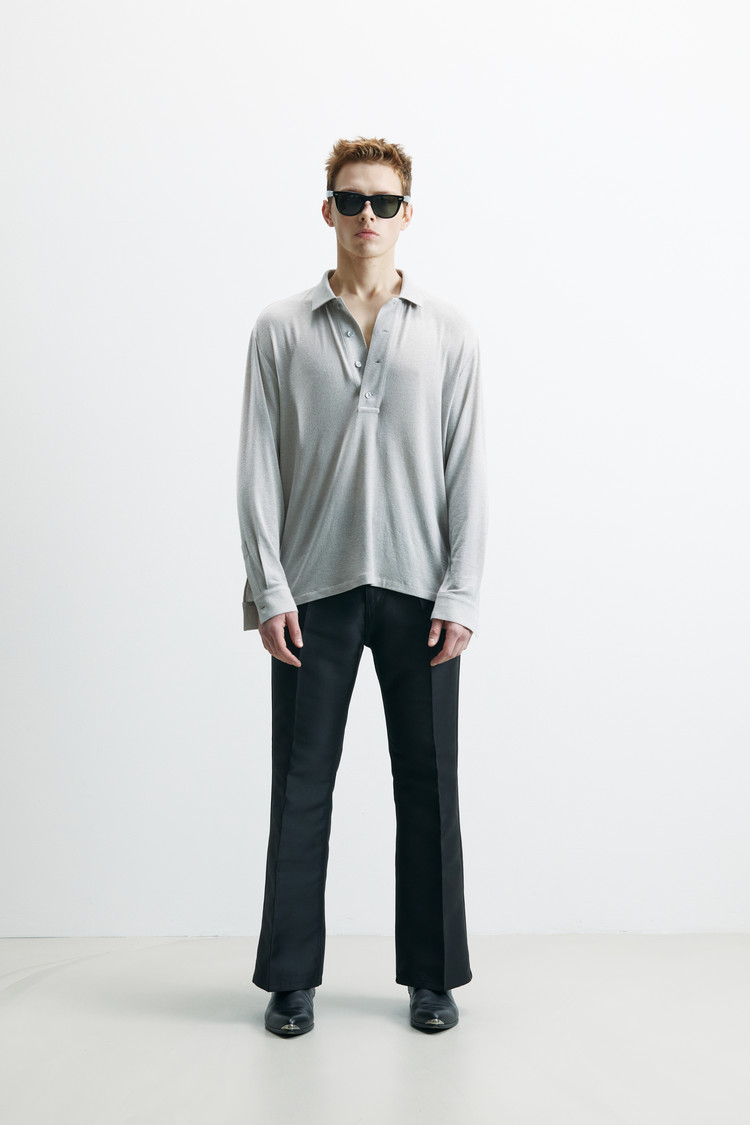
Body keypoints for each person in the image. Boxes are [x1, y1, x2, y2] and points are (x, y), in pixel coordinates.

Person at [236, 136, 487, 1036]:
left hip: (421, 591)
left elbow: (467, 467)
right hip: (314, 591)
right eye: (352, 200)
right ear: (328, 210)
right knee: (301, 784)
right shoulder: (280, 327)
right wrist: (268, 588)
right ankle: (290, 978)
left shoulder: (447, 331)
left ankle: (433, 975)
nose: (367, 216)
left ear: (407, 214)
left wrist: (462, 592)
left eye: (384, 201)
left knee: (428, 784)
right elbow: (257, 465)